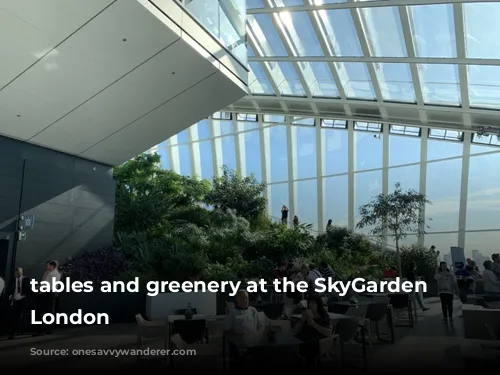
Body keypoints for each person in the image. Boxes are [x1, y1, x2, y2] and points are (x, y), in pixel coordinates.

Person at [293, 294, 332, 367]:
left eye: (313, 303)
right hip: (304, 341)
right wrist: (302, 320)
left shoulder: (323, 316)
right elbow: (295, 332)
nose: (310, 305)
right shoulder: (306, 315)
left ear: (318, 304)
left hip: (318, 343)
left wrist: (313, 324)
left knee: (311, 345)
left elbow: (328, 333)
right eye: (309, 303)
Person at [34, 260, 61, 336]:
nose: (46, 267)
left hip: (48, 294)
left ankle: (42, 330)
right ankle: (47, 329)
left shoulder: (53, 274)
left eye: (48, 266)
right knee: (48, 312)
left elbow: (48, 286)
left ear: (53, 266)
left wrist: (39, 291)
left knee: (44, 312)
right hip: (48, 293)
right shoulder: (49, 273)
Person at [7, 267, 31, 339]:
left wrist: (21, 296)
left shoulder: (26, 280)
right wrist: (11, 297)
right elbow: (8, 290)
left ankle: (15, 331)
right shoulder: (12, 280)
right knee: (12, 316)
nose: (18, 274)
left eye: (19, 273)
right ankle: (12, 332)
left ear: (22, 273)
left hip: (22, 300)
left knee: (19, 316)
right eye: (17, 273)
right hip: (13, 300)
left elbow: (28, 291)